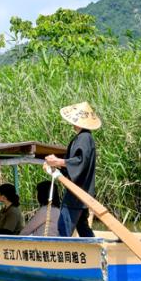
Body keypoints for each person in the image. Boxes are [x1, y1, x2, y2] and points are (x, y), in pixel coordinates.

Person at [43, 101, 100, 237]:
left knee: (64, 227)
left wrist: (58, 161)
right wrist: (58, 165)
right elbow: (76, 163)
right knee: (82, 226)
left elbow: (80, 161)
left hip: (77, 193)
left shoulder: (84, 138)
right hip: (81, 193)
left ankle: (64, 254)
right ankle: (96, 252)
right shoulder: (84, 138)